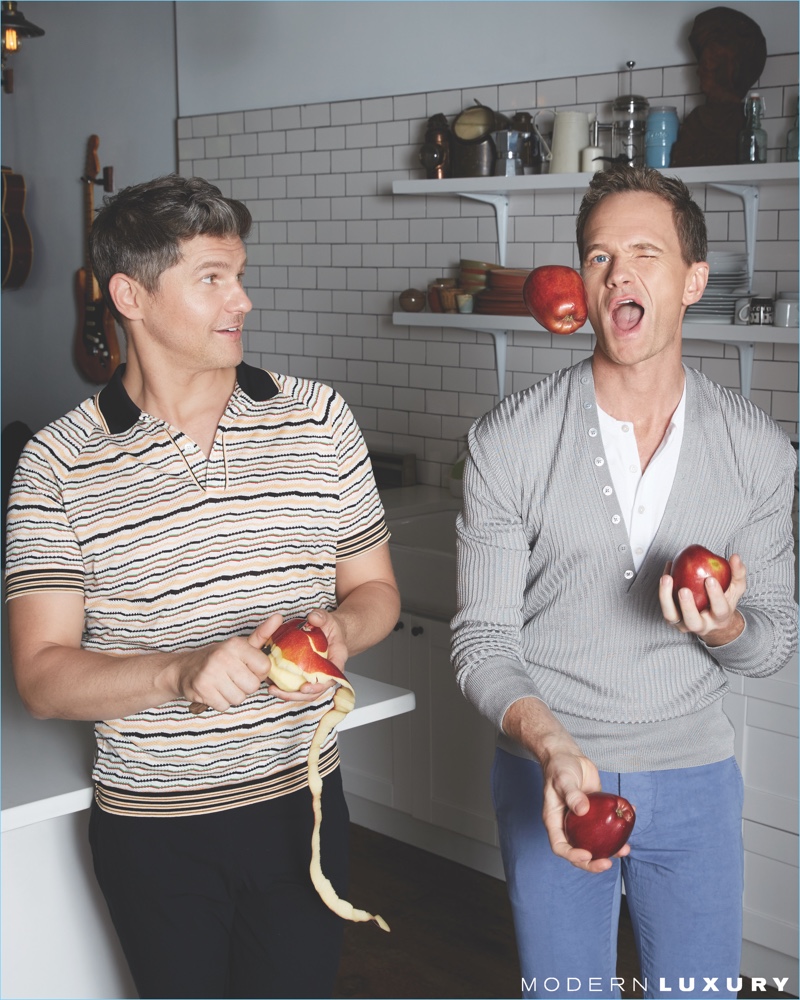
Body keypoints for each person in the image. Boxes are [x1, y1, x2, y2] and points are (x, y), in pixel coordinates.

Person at [4, 174, 401, 1000]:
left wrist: (339, 632)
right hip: (156, 836)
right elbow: (41, 677)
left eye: (241, 274)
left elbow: (376, 592)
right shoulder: (55, 465)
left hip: (305, 808)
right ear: (131, 295)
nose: (243, 300)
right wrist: (177, 673)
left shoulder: (319, 419)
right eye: (212, 278)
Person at [451, 165, 797, 1000]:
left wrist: (724, 629)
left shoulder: (758, 451)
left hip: (696, 782)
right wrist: (553, 746)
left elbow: (776, 640)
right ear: (583, 281)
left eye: (646, 252)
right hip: (554, 777)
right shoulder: (511, 439)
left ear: (693, 282)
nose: (620, 274)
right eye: (600, 257)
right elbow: (482, 642)